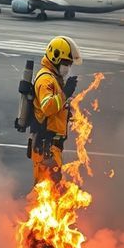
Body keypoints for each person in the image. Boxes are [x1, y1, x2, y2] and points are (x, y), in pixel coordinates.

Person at [29, 36, 82, 184]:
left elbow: (55, 108)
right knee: (46, 189)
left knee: (51, 189)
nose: (68, 67)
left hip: (52, 147)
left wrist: (66, 114)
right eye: (66, 63)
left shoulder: (53, 78)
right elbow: (48, 108)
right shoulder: (46, 80)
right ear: (55, 58)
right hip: (45, 146)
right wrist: (66, 92)